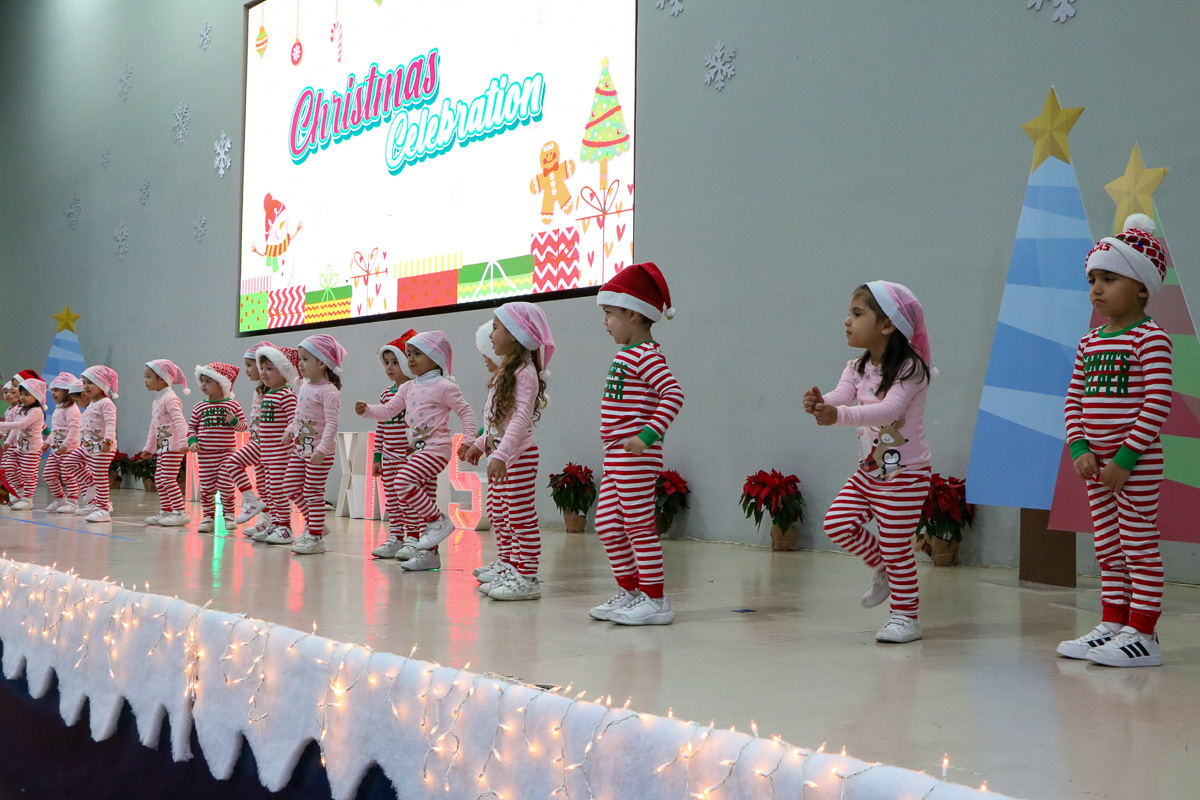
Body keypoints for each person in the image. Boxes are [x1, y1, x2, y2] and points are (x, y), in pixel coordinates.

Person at [1057, 214, 1173, 668]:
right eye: (1092, 280)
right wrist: (1080, 448)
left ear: (1142, 287)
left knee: (1138, 545)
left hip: (1134, 465)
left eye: (1109, 279)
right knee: (1107, 546)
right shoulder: (1090, 342)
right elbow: (1074, 400)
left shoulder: (1151, 338)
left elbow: (1157, 404)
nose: (1097, 289)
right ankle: (1113, 623)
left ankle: (1143, 634)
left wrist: (1124, 459)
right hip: (1097, 466)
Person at [804, 281, 933, 644]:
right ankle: (882, 566)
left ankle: (905, 617)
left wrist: (839, 415)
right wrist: (821, 402)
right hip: (870, 472)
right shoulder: (857, 366)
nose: (847, 321)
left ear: (888, 324)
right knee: (837, 523)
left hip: (905, 474)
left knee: (896, 546)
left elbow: (889, 410)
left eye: (857, 314)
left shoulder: (910, 369)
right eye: (850, 313)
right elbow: (842, 395)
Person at [590, 262, 685, 626]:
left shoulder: (646, 355)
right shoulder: (626, 354)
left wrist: (647, 436)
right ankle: (631, 592)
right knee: (607, 524)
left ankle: (656, 600)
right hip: (616, 453)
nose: (605, 322)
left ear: (632, 313)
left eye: (609, 314)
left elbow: (673, 394)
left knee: (639, 525)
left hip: (635, 456)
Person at [355, 331, 475, 572]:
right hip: (417, 451)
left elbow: (466, 411)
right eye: (409, 354)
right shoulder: (408, 387)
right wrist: (368, 410)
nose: (410, 359)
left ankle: (438, 522)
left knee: (402, 481)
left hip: (436, 449)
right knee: (421, 495)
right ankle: (430, 554)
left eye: (417, 354)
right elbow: (388, 411)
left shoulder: (444, 386)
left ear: (435, 357)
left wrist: (468, 440)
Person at [463, 304, 553, 601]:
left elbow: (521, 417)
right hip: (502, 456)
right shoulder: (508, 371)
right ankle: (509, 565)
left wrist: (501, 455)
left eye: (496, 328)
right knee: (500, 513)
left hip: (519, 456)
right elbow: (496, 420)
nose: (491, 335)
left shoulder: (525, 372)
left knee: (520, 516)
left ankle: (526, 576)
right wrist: (481, 445)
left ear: (515, 334)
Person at [278, 334, 345, 555]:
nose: (300, 364)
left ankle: (315, 537)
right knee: (290, 486)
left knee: (313, 492)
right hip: (301, 449)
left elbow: (332, 424)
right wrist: (290, 429)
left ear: (322, 363)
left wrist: (322, 449)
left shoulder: (329, 391)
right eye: (300, 359)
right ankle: (315, 523)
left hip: (319, 452)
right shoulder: (305, 387)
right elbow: (299, 416)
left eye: (305, 359)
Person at [189, 362, 248, 533]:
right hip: (205, 456)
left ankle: (229, 516)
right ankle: (208, 518)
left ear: (221, 383)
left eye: (208, 381)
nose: (203, 385)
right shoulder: (199, 407)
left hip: (226, 454)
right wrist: (192, 441)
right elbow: (192, 427)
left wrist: (234, 421)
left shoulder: (233, 405)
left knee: (226, 485)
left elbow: (244, 426)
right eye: (202, 381)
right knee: (207, 487)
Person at [140, 359, 191, 527]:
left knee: (168, 478)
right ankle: (167, 510)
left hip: (174, 447)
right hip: (164, 447)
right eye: (145, 377)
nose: (145, 380)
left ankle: (180, 512)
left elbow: (180, 421)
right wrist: (149, 447)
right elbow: (153, 426)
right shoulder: (157, 400)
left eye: (149, 377)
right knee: (160, 479)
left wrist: (184, 442)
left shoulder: (170, 399)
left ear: (162, 379)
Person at [43, 372, 82, 512]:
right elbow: (55, 430)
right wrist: (48, 442)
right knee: (48, 474)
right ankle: (60, 499)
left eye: (56, 390)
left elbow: (74, 429)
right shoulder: (59, 408)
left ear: (67, 392)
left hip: (68, 450)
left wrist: (66, 445)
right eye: (52, 390)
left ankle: (73, 502)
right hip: (56, 450)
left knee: (68, 476)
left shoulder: (72, 410)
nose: (53, 393)